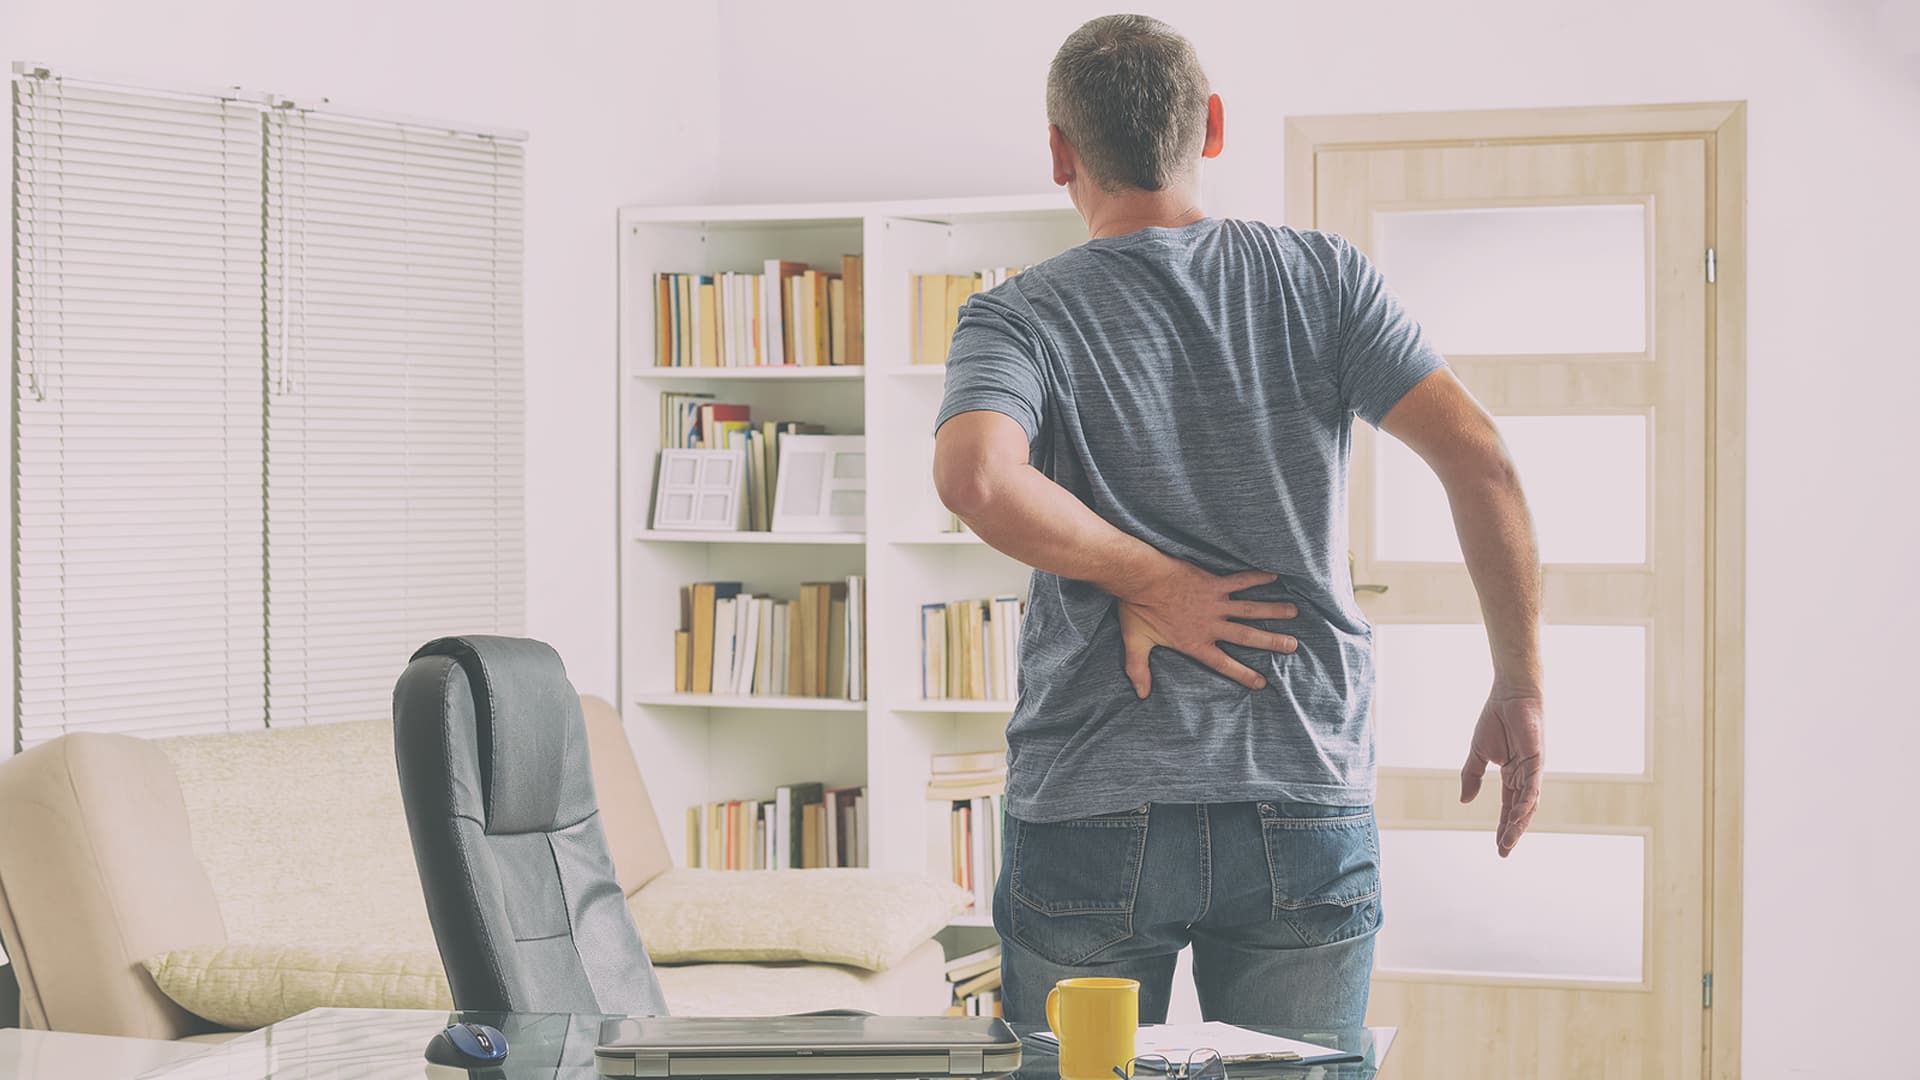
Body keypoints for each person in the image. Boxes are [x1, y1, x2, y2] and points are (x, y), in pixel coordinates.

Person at [931, 14, 1545, 1029]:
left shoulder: (1018, 317)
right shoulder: (1325, 281)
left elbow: (977, 479)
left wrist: (1144, 577)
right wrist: (1518, 683)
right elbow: (1484, 460)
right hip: (1301, 789)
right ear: (1212, 127)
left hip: (1090, 802)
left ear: (1058, 152)